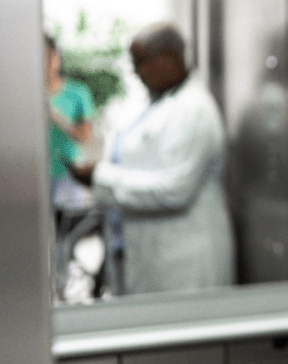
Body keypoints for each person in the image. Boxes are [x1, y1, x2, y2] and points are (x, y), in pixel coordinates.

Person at [71, 23, 234, 294]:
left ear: (169, 57)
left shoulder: (193, 110)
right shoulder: (158, 103)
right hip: (154, 257)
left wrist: (100, 176)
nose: (135, 71)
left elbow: (174, 191)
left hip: (184, 263)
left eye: (140, 62)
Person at [46, 35, 97, 214]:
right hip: (33, 176)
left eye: (50, 56)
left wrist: (55, 117)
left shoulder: (78, 93)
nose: (46, 62)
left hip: (68, 175)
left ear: (58, 57)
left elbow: (85, 137)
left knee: (69, 233)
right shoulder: (23, 94)